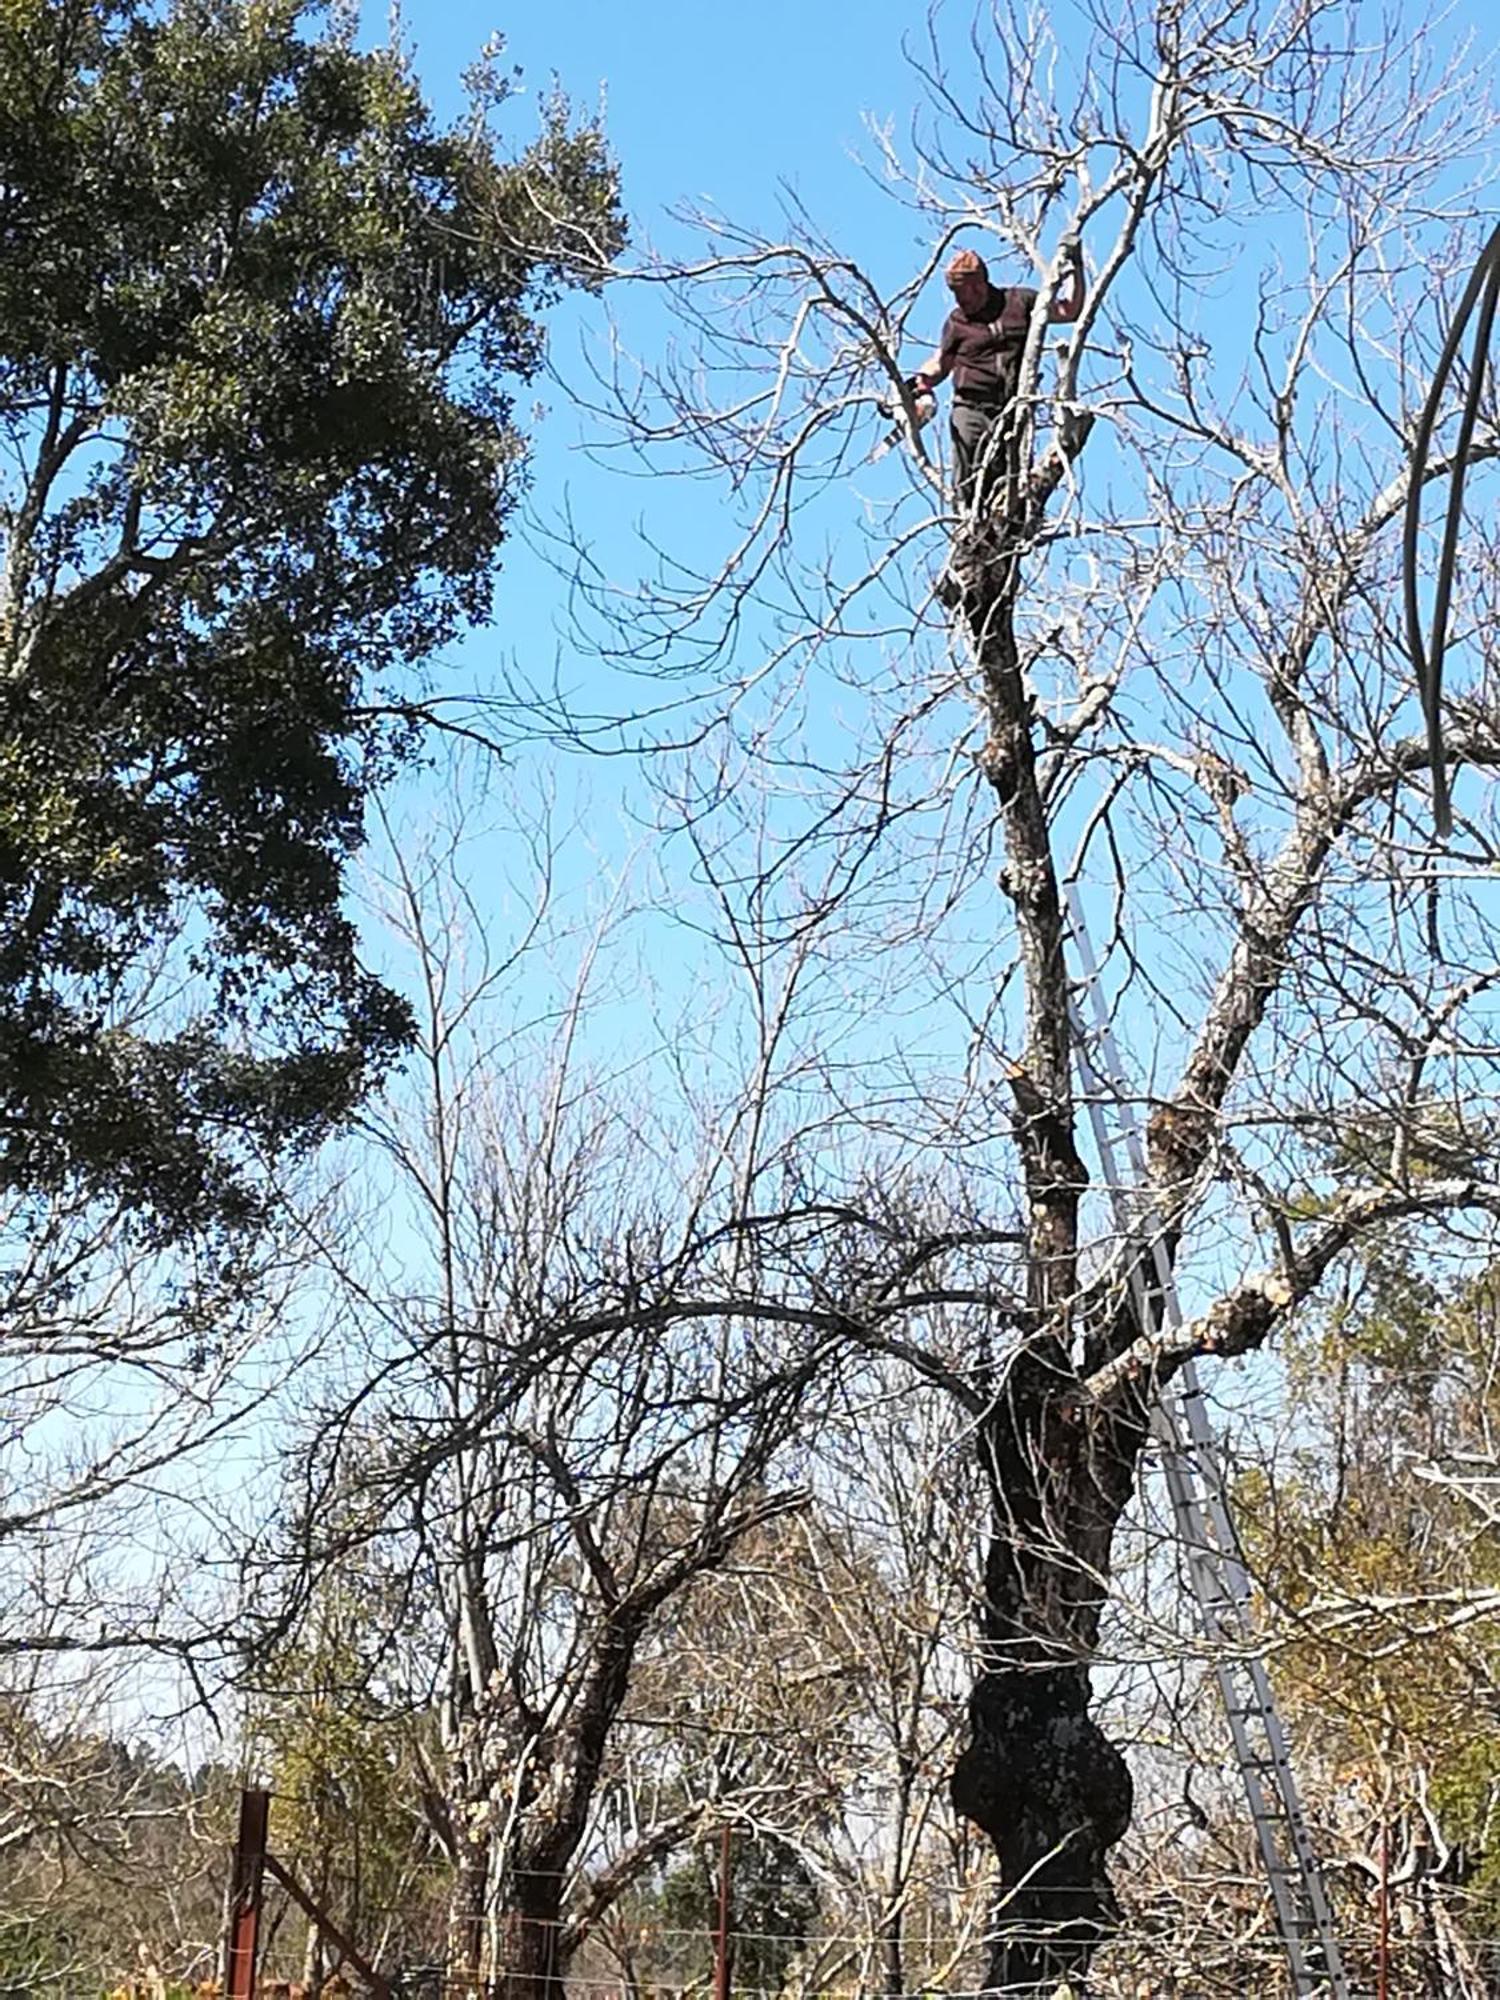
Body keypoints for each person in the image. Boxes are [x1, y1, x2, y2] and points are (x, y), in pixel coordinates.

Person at [912, 243, 1085, 516]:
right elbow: (941, 364)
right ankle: (968, 527)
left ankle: (1006, 532)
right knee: (969, 486)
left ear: (979, 285)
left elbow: (1068, 311)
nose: (959, 300)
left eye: (962, 293)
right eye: (954, 294)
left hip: (1012, 412)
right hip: (970, 410)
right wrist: (920, 381)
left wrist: (1075, 267)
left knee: (1010, 491)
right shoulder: (957, 322)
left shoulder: (1020, 303)